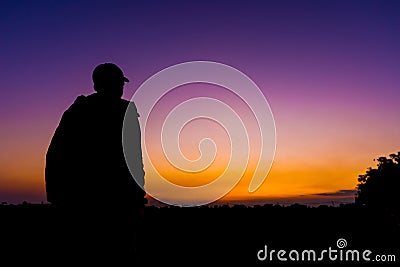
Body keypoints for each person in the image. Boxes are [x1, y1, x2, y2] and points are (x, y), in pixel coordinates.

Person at [45, 63, 146, 265]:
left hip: (83, 201)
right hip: (112, 201)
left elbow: (55, 154)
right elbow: (134, 159)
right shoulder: (124, 112)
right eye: (119, 83)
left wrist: (57, 196)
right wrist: (137, 193)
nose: (121, 88)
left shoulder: (76, 112)